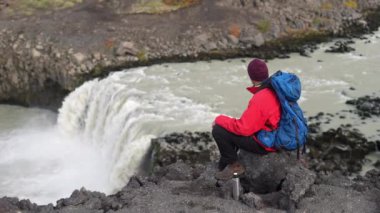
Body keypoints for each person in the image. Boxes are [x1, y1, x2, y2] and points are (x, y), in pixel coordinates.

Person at [212, 58, 281, 181]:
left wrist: (219, 119)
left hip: (266, 144)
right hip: (276, 136)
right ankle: (226, 161)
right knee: (232, 128)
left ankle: (234, 166)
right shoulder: (275, 89)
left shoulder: (261, 97)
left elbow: (243, 128)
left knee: (218, 130)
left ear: (251, 77)